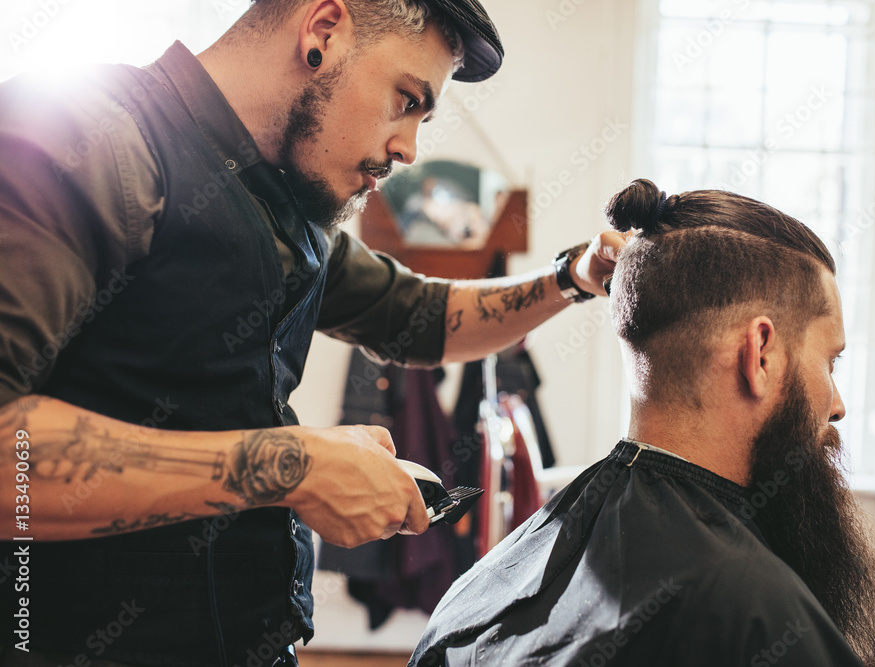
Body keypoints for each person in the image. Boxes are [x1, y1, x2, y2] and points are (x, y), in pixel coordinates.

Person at [0, 1, 624, 665]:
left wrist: (574, 276)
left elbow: (422, 317)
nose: (408, 149)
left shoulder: (286, 201)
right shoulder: (88, 136)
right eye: (406, 99)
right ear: (322, 30)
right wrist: (295, 466)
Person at [409, 179, 875, 667]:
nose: (837, 405)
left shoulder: (475, 592)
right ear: (761, 353)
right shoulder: (759, 618)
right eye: (829, 362)